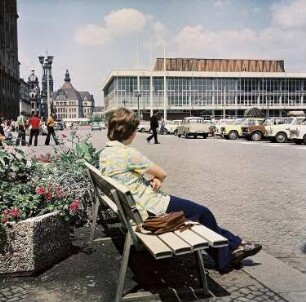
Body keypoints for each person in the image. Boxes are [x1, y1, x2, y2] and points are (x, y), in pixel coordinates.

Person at [99, 107, 262, 273]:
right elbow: (162, 173)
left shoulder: (105, 153)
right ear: (130, 132)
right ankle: (227, 257)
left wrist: (149, 181)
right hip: (151, 209)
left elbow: (127, 178)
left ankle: (235, 245)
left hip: (136, 207)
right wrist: (156, 179)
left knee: (197, 213)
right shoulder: (129, 154)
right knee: (202, 213)